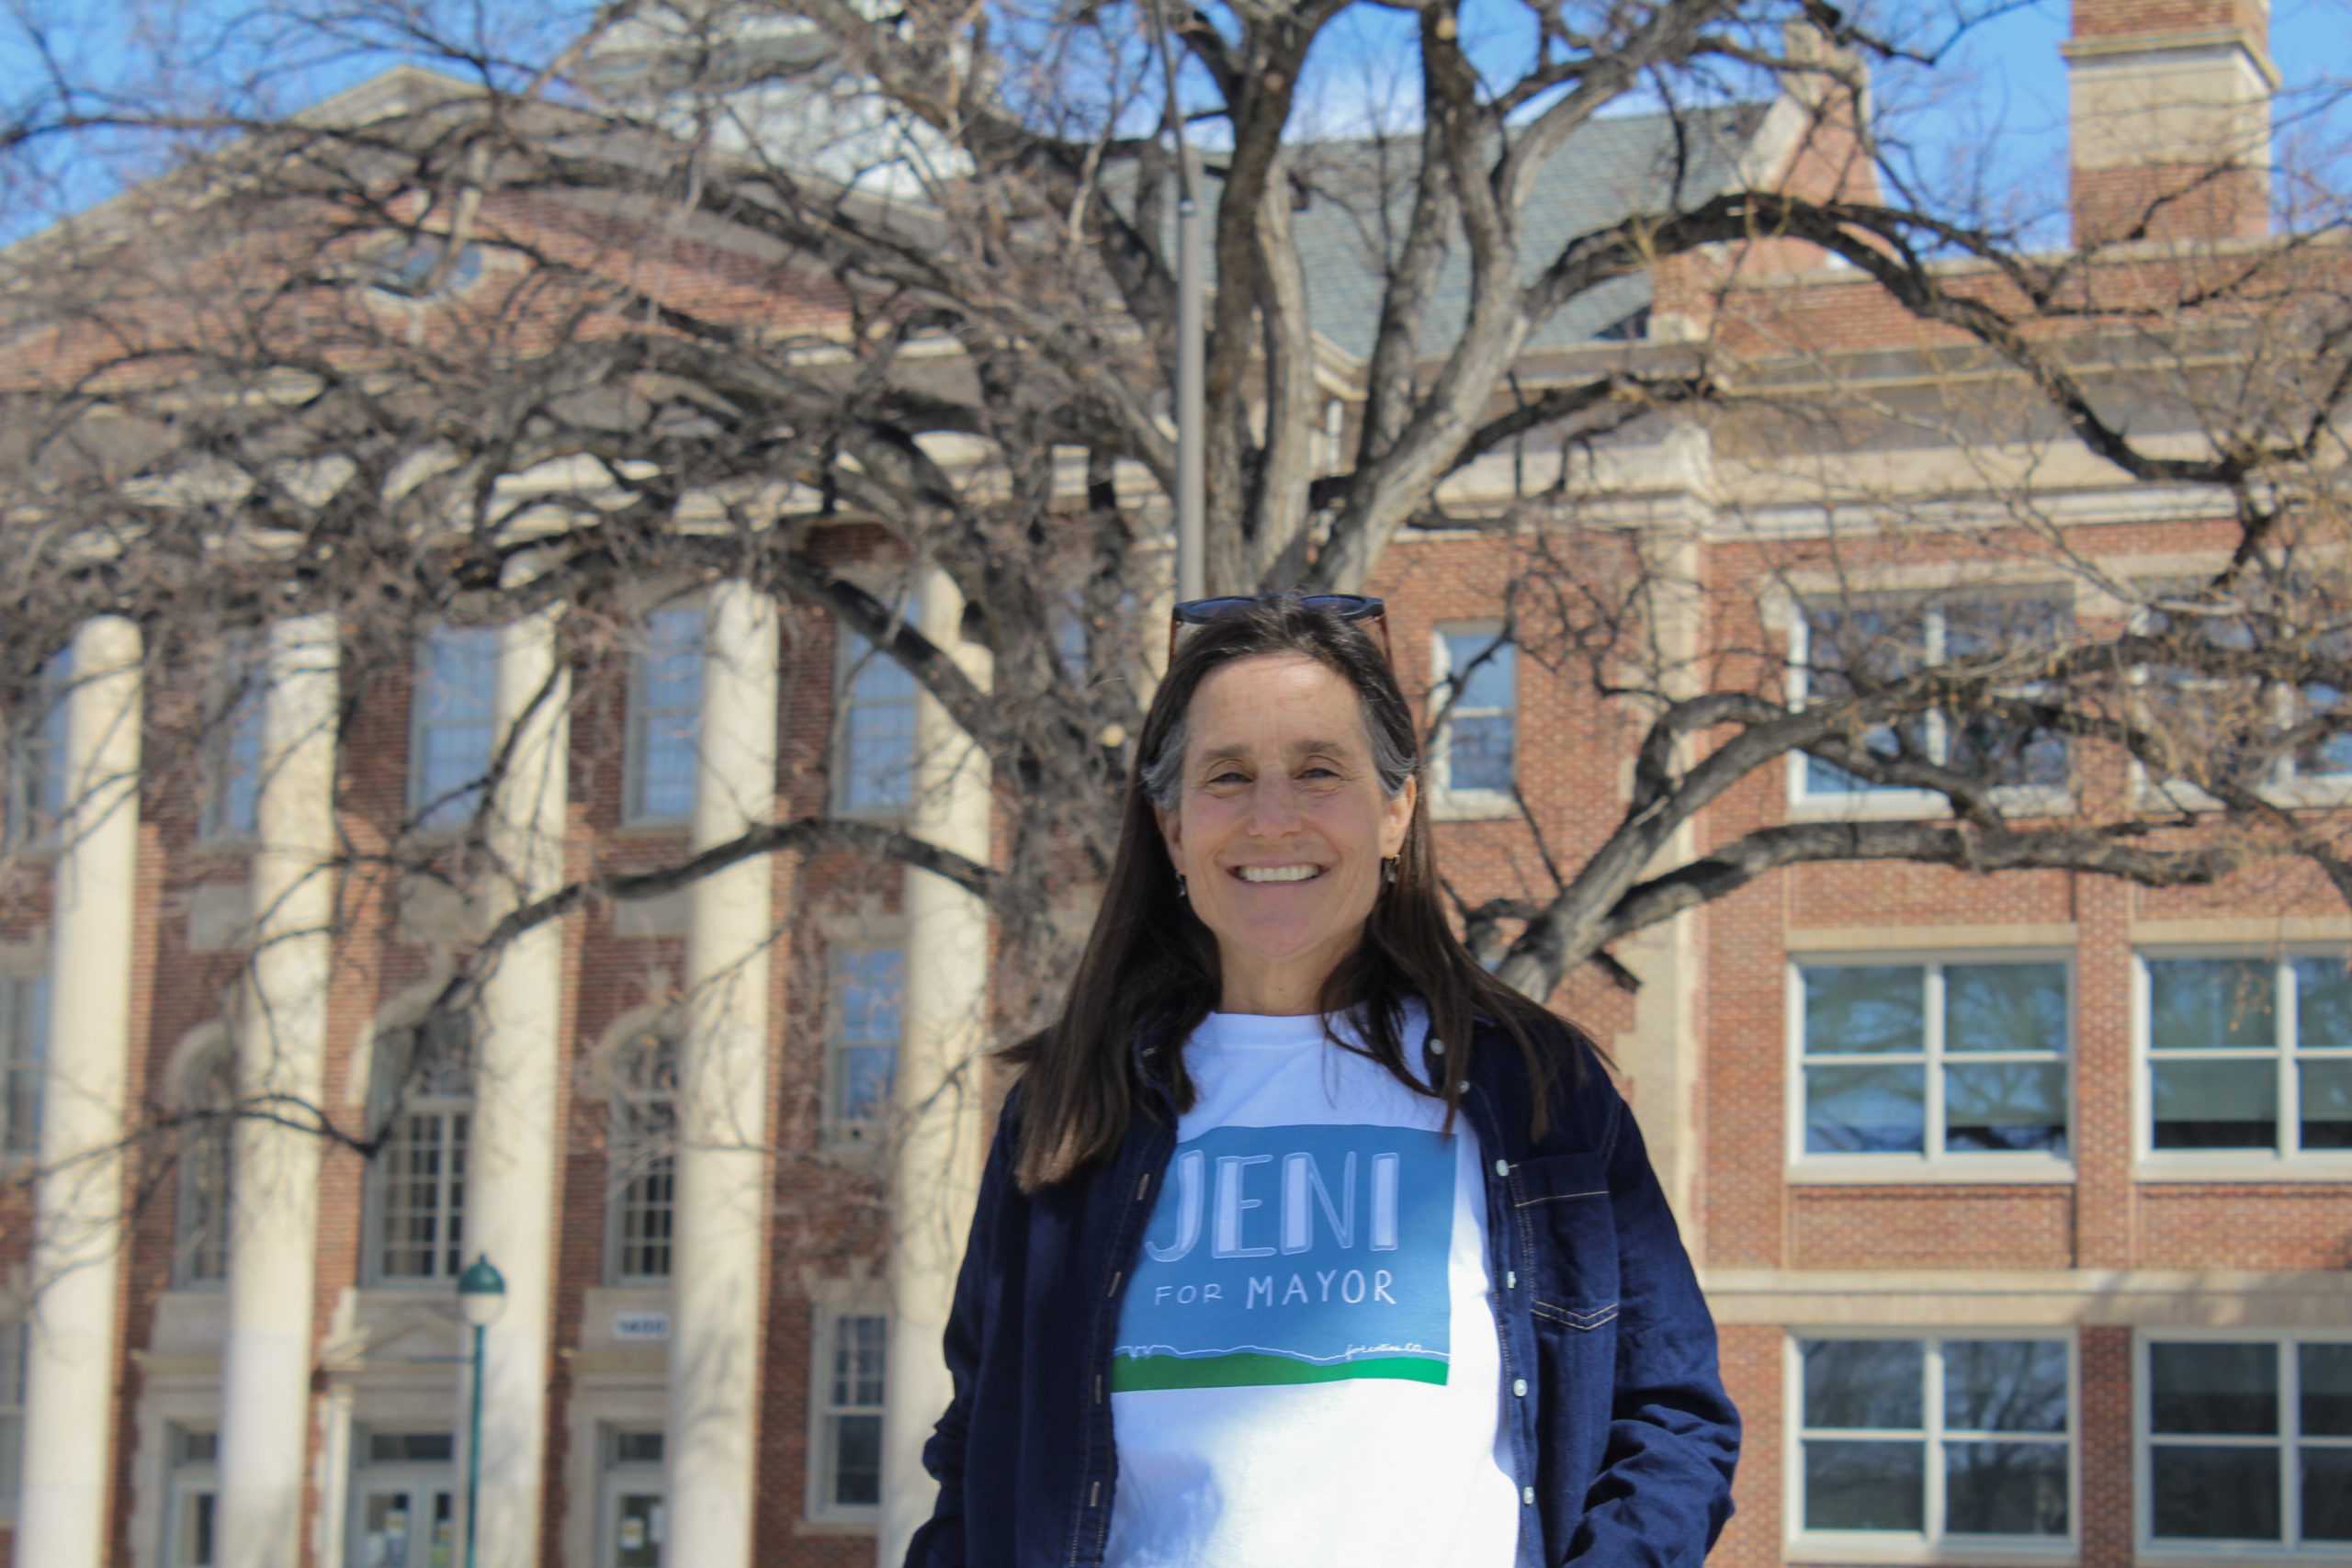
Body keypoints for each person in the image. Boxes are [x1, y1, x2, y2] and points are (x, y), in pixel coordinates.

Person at [904, 592, 1738, 1568]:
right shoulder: (1072, 1108)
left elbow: (1670, 1420)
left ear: (1395, 810)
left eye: (1317, 772)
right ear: (1172, 829)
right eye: (1227, 777)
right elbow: (979, 1457)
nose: (1271, 819)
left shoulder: (1529, 1091)